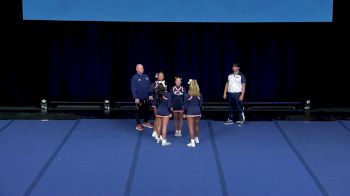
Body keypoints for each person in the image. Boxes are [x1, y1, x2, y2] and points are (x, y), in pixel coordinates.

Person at [130, 64, 154, 131]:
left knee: (147, 110)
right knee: (138, 111)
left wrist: (151, 95)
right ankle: (138, 124)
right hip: (139, 98)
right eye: (140, 68)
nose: (142, 69)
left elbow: (150, 87)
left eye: (142, 68)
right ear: (136, 69)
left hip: (147, 97)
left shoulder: (146, 76)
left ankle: (146, 122)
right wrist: (136, 97)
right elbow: (133, 89)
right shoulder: (134, 78)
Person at [184, 79, 203, 147]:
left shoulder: (187, 95)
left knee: (191, 127)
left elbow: (185, 106)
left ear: (190, 85)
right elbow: (201, 105)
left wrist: (185, 113)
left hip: (190, 112)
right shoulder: (199, 95)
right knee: (197, 126)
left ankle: (192, 142)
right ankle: (197, 138)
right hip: (198, 111)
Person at [150, 71, 167, 138]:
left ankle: (157, 131)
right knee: (157, 117)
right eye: (160, 76)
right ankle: (155, 132)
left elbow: (165, 93)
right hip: (156, 103)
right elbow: (150, 91)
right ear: (157, 76)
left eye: (162, 76)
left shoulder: (165, 83)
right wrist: (151, 94)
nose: (161, 77)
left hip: (162, 103)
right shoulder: (154, 83)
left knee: (161, 119)